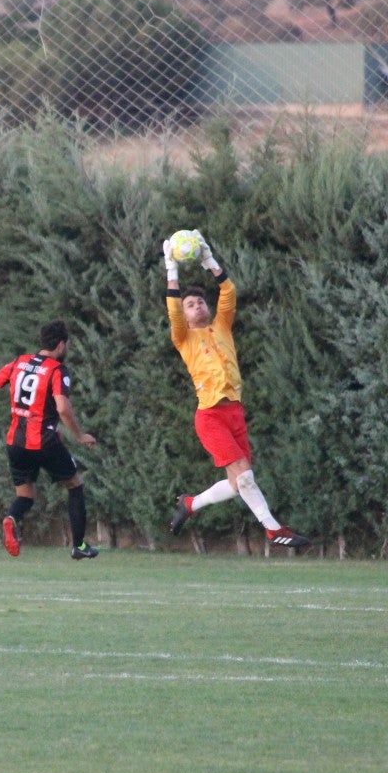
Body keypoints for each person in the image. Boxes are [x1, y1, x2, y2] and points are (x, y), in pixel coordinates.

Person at [163, 231, 310, 550]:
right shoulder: (184, 338)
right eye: (190, 304)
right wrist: (171, 269)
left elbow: (228, 292)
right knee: (244, 477)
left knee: (237, 483)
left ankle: (191, 504)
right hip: (210, 416)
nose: (197, 305)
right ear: (186, 317)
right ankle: (273, 530)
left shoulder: (221, 326)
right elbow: (173, 311)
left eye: (200, 301)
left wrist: (209, 260)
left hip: (234, 412)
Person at [0, 320, 99, 560]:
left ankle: (11, 519)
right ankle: (79, 545)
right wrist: (80, 435)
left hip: (16, 443)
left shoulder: (18, 363)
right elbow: (62, 407)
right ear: (61, 345)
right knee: (75, 486)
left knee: (25, 496)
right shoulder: (56, 370)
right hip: (44, 441)